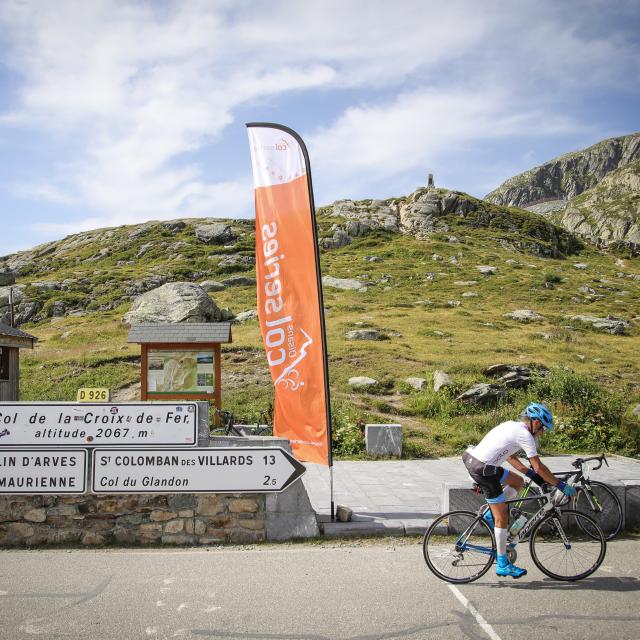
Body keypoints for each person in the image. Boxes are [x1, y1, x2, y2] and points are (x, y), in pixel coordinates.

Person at [462, 402, 576, 579]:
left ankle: (490, 515)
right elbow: (538, 466)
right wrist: (560, 485)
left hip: (477, 461)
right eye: (543, 428)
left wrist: (529, 473)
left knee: (517, 482)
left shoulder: (511, 425)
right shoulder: (525, 435)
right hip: (483, 469)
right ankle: (502, 563)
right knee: (502, 518)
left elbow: (511, 456)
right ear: (536, 422)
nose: (542, 432)